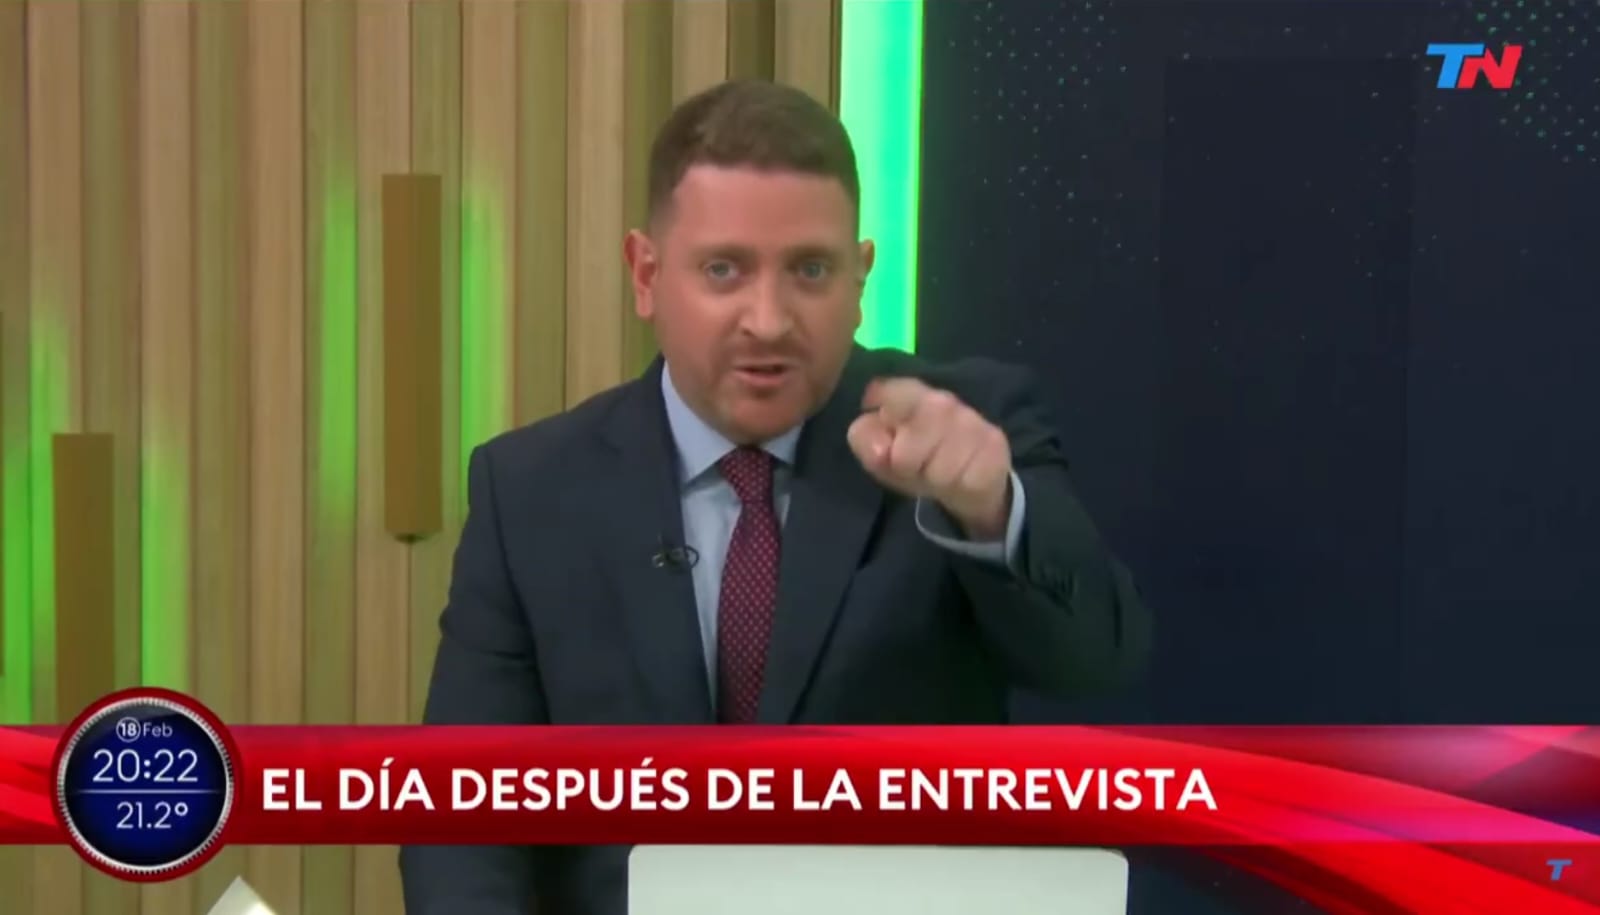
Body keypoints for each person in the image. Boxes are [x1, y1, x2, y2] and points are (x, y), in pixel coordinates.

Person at [400, 78, 1150, 914]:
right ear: (646, 273)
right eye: (724, 269)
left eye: (810, 270)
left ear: (860, 279)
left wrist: (990, 511)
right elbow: (461, 814)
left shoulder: (964, 433)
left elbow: (1097, 661)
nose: (768, 319)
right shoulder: (532, 491)